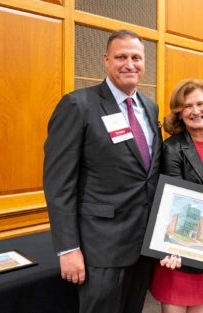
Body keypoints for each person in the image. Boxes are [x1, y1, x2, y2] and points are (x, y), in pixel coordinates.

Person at [43, 29, 162, 313]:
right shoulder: (78, 105)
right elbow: (59, 184)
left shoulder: (149, 106)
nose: (129, 64)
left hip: (142, 244)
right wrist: (68, 248)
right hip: (101, 248)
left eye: (136, 57)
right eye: (121, 57)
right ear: (106, 60)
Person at [149, 79, 203, 313]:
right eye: (187, 106)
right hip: (178, 250)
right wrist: (172, 246)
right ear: (179, 113)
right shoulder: (172, 148)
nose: (196, 111)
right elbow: (173, 201)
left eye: (200, 104)